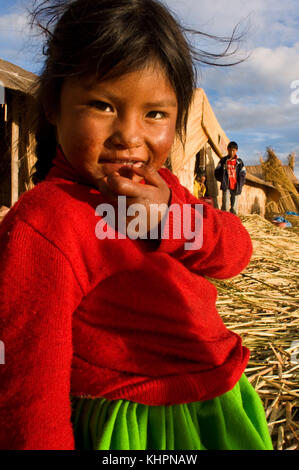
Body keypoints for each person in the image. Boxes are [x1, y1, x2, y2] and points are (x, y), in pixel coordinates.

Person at [0, 0, 273, 451]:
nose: (129, 135)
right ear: (54, 104)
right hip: (139, 427)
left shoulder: (165, 189)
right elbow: (29, 383)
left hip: (217, 399)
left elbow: (235, 254)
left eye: (155, 114)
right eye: (103, 105)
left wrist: (172, 218)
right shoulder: (47, 222)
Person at [214, 142, 246, 215]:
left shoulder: (239, 162)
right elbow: (216, 172)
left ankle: (233, 224)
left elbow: (243, 174)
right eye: (230, 150)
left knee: (234, 208)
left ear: (236, 151)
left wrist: (240, 184)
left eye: (233, 150)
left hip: (236, 187)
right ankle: (224, 222)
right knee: (225, 206)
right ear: (227, 150)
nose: (231, 152)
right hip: (226, 187)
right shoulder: (223, 161)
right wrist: (222, 180)